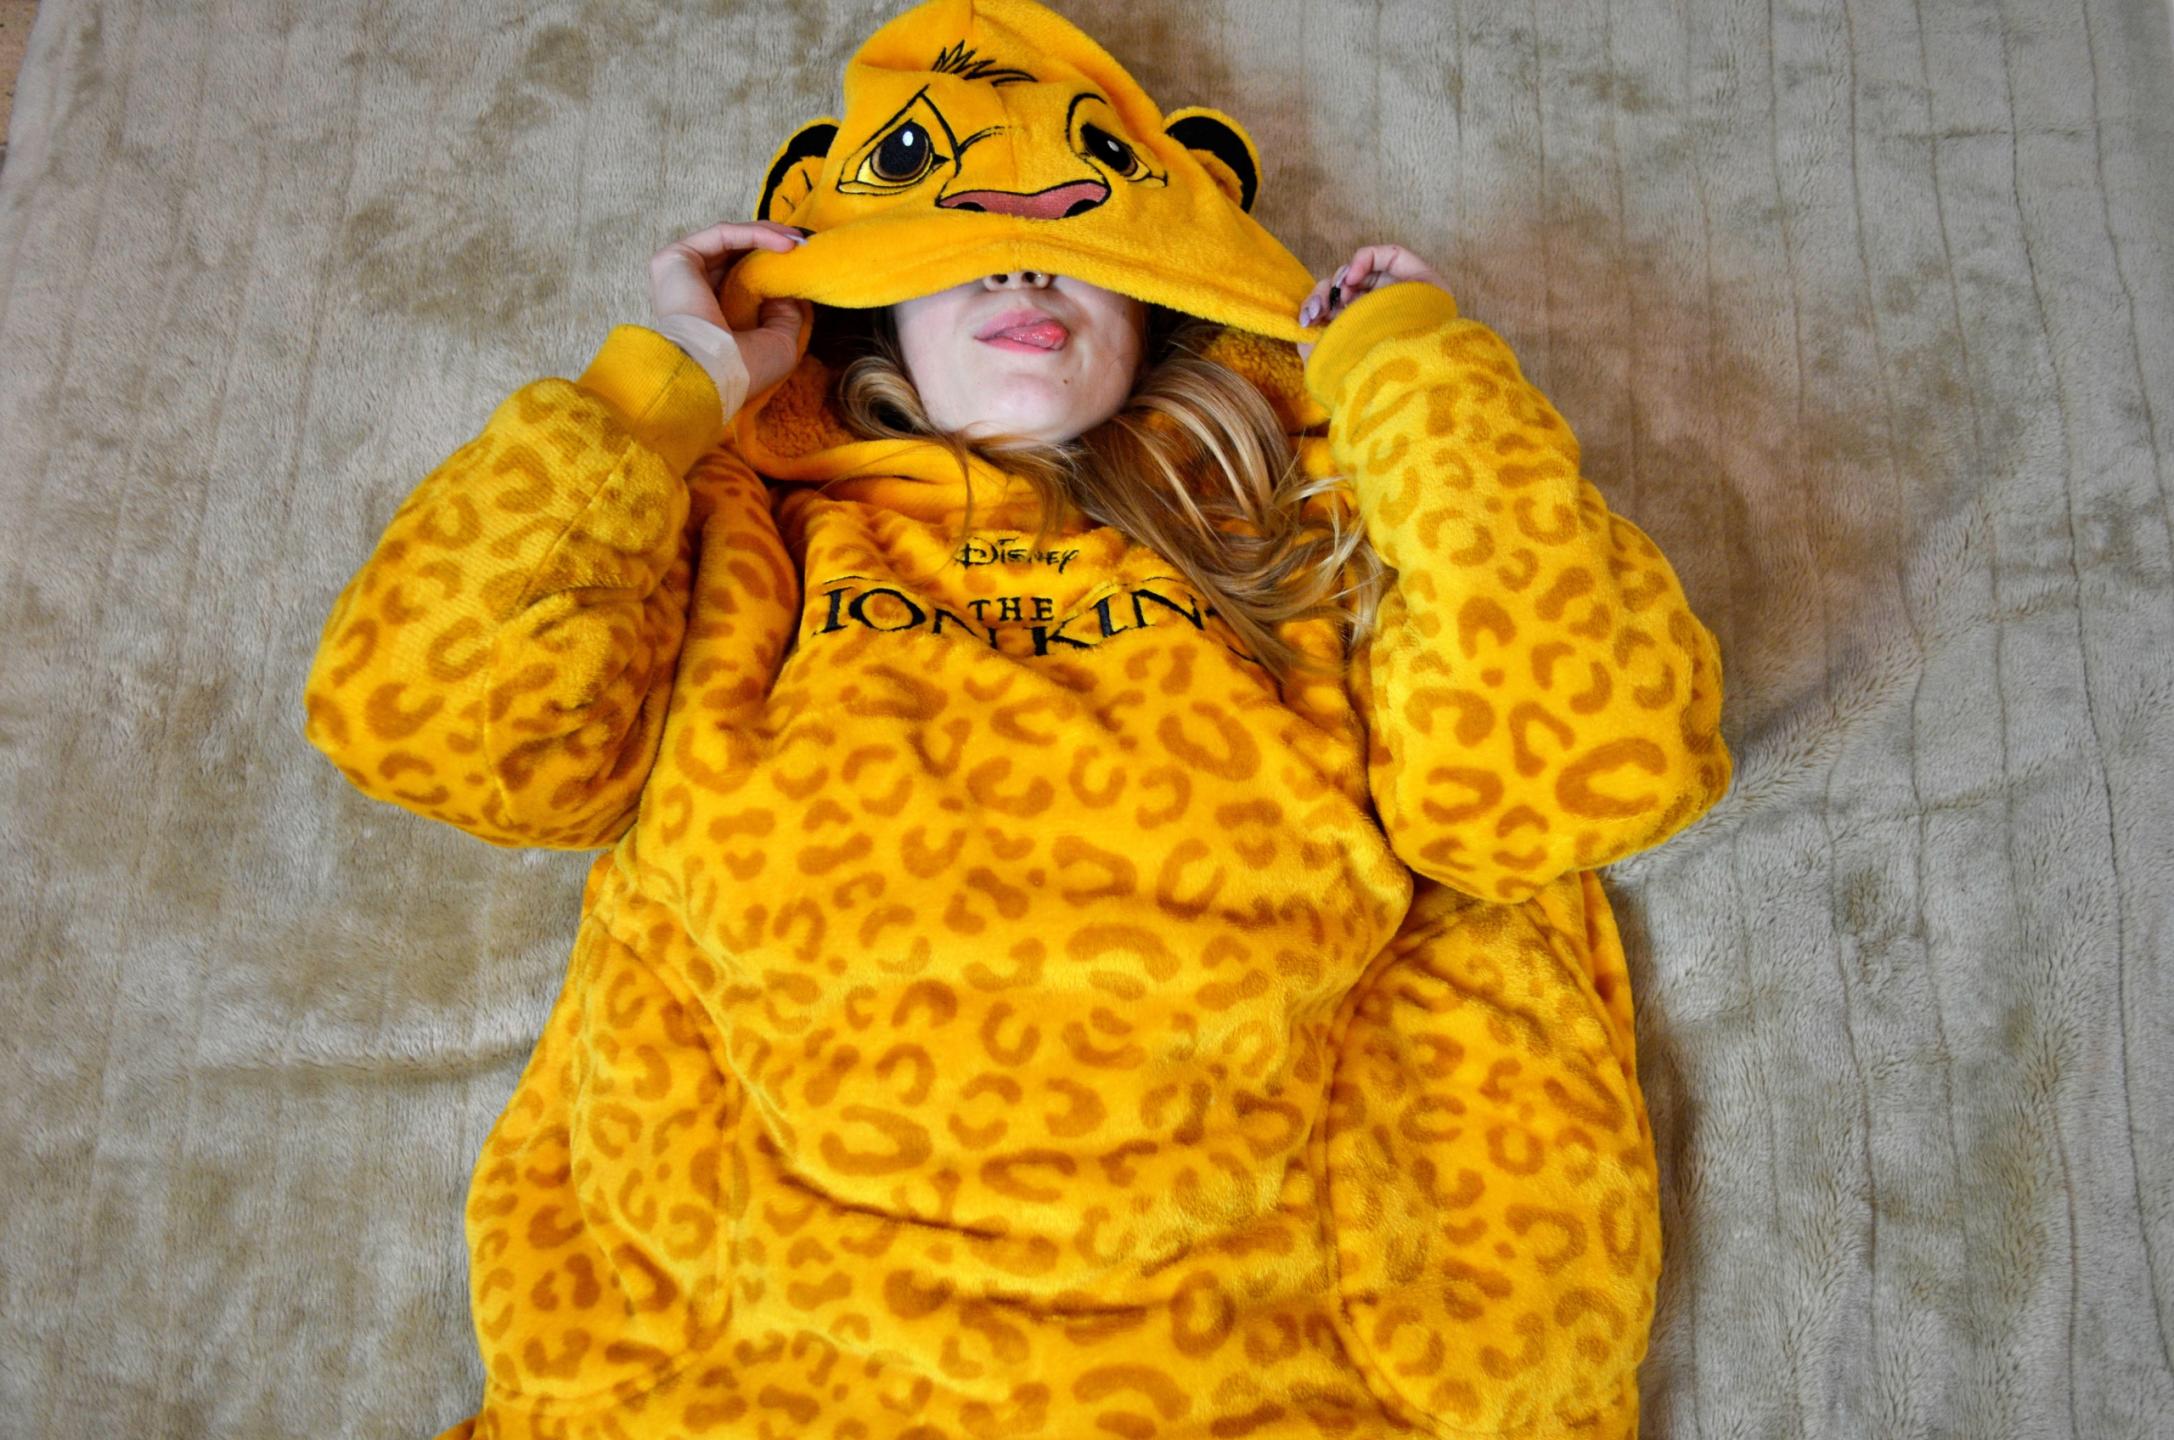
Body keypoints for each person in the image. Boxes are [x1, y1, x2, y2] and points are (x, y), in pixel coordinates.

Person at [299, 2, 1731, 1437]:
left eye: (1083, 236)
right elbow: (421, 717)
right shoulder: (747, 531)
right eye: (953, 243)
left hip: (1272, 1364)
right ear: (870, 304)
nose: (1024, 259)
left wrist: (1413, 376)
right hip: (757, 1372)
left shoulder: (1303, 529)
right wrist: (664, 389)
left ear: (1168, 292)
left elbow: (1589, 768)